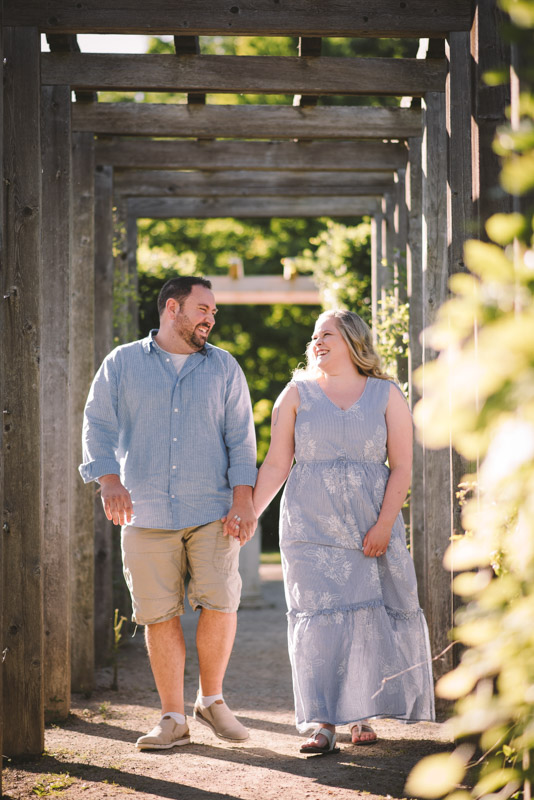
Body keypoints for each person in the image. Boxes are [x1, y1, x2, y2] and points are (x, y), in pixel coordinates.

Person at [79, 276, 257, 751]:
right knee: (158, 615)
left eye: (213, 312)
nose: (210, 319)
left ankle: (212, 700)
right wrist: (109, 480)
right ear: (172, 308)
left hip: (213, 510)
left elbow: (241, 438)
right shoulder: (122, 363)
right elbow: (97, 423)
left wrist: (244, 499)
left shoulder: (224, 367)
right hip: (145, 509)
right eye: (203, 309)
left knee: (220, 601)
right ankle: (173, 718)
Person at [252, 309, 435, 754]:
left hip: (369, 525)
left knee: (364, 614)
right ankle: (322, 722)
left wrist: (385, 525)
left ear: (352, 340)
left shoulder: (387, 394)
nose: (316, 342)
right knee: (317, 619)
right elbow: (277, 464)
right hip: (309, 526)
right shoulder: (295, 394)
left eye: (326, 334)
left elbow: (403, 467)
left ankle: (362, 713)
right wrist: (249, 515)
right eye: (314, 336)